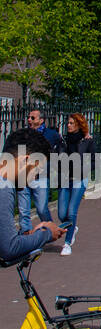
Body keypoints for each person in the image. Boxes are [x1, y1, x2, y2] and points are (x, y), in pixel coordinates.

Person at [0, 130, 65, 263]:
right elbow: (9, 248)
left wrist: (32, 236)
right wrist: (46, 234)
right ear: (26, 161)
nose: (34, 178)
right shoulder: (4, 186)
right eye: (36, 170)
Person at [56, 113, 95, 256]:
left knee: (71, 212)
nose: (68, 125)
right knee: (61, 213)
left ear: (78, 124)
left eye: (71, 123)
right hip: (65, 179)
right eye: (68, 123)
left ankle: (67, 244)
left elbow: (93, 161)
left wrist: (83, 168)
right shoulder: (64, 141)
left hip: (79, 179)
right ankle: (73, 228)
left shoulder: (87, 141)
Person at [17, 109, 61, 230]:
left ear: (41, 120)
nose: (29, 120)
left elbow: (59, 154)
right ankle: (26, 237)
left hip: (40, 178)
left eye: (32, 118)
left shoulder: (52, 135)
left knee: (41, 209)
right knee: (23, 211)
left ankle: (51, 230)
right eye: (29, 117)